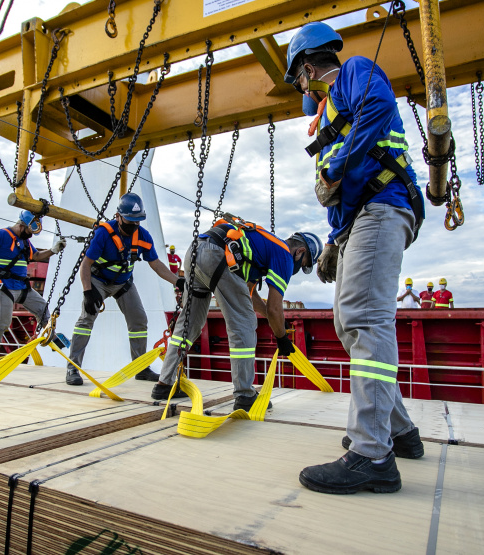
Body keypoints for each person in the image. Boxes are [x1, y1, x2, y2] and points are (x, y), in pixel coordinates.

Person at [284, 21, 425, 495]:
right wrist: (331, 241)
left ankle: (371, 454)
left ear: (307, 69)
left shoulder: (353, 73)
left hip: (383, 206)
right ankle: (399, 431)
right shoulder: (331, 113)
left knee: (364, 320)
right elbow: (342, 192)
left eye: (298, 79)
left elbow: (379, 109)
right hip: (359, 219)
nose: (301, 89)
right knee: (349, 323)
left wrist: (340, 165)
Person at [153, 215, 323, 411]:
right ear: (300, 251)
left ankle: (164, 383)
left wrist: (272, 319)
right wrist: (282, 337)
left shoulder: (262, 247)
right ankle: (244, 395)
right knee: (244, 324)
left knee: (189, 324)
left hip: (195, 251)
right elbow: (275, 307)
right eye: (304, 264)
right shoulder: (284, 254)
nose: (300, 268)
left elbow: (249, 295)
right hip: (216, 255)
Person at [67, 193, 179, 385]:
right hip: (98, 281)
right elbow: (86, 264)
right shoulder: (103, 233)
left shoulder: (143, 236)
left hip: (123, 283)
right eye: (130, 220)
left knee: (139, 320)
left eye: (137, 220)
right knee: (86, 319)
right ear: (118, 216)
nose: (134, 224)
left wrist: (178, 282)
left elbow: (156, 264)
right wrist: (88, 292)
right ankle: (72, 368)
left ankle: (140, 368)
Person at [0, 210, 66, 359]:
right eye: (29, 232)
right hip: (3, 287)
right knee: (2, 322)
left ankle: (52, 337)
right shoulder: (1, 235)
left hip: (22, 287)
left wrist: (53, 250)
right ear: (21, 225)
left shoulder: (24, 241)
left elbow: (36, 255)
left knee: (42, 308)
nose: (30, 236)